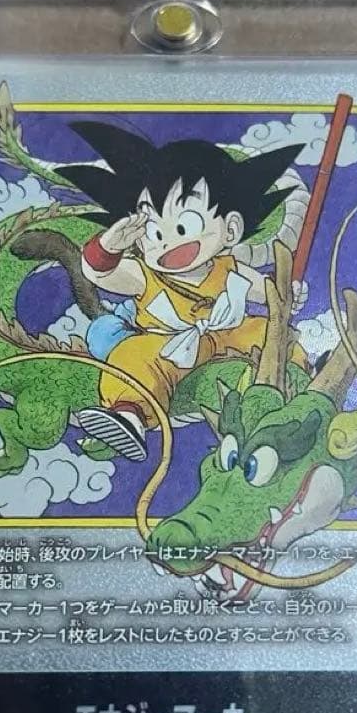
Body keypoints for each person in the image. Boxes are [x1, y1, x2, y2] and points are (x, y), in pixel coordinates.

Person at [58, 121, 309, 461]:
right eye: (154, 232)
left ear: (231, 230)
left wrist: (287, 295)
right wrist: (108, 247)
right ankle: (129, 415)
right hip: (166, 345)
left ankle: (301, 382)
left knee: (269, 333)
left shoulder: (228, 268)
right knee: (132, 356)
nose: (167, 242)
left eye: (182, 226)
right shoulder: (144, 275)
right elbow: (100, 274)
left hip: (228, 335)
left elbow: (267, 292)